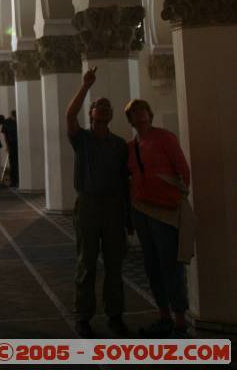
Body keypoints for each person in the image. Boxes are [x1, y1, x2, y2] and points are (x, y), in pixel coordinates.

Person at [66, 66, 130, 338]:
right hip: (89, 205)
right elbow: (70, 115)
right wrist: (86, 86)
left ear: (112, 115)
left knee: (115, 264)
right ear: (91, 114)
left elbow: (125, 181)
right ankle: (84, 316)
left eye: (107, 107)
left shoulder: (119, 145)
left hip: (114, 206)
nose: (102, 109)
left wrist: (128, 216)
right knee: (87, 262)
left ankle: (115, 315)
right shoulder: (82, 140)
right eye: (98, 106)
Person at [124, 98, 192, 337]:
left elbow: (182, 169)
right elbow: (130, 178)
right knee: (152, 265)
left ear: (150, 114)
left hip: (165, 210)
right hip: (142, 210)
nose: (139, 114)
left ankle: (180, 320)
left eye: (143, 110)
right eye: (134, 112)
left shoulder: (164, 138)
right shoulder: (131, 146)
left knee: (170, 264)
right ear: (130, 119)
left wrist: (177, 196)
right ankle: (164, 316)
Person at [0, 111, 18, 187]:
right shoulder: (9, 122)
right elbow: (6, 135)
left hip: (16, 144)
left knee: (15, 163)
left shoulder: (9, 123)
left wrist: (8, 146)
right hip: (14, 143)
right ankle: (15, 181)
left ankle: (16, 181)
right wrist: (8, 146)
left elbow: (6, 136)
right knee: (15, 162)